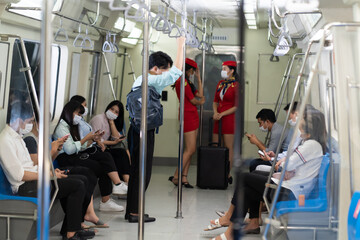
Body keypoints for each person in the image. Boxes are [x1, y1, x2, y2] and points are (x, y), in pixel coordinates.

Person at [209, 107, 327, 239]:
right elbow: (292, 163)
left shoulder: (311, 145)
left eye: (301, 119)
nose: (298, 122)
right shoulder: (310, 143)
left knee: (244, 178)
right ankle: (241, 227)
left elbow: (288, 164)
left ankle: (230, 221)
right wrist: (284, 162)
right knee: (247, 188)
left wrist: (282, 162)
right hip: (288, 186)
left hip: (290, 192)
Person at [0, 102, 95, 240]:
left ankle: (71, 229)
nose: (31, 124)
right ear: (19, 119)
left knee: (82, 179)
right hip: (25, 187)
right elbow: (19, 175)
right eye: (29, 121)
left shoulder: (17, 137)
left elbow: (30, 164)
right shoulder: (5, 141)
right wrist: (48, 175)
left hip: (35, 180)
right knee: (77, 184)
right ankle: (71, 233)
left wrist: (51, 170)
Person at [125, 36, 186, 223]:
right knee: (143, 171)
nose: (165, 73)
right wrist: (180, 44)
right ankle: (135, 212)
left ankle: (132, 210)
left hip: (136, 129)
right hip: (143, 131)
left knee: (137, 170)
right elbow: (176, 72)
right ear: (156, 68)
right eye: (164, 69)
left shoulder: (142, 79)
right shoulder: (152, 79)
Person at [53, 101, 125, 212]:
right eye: (78, 114)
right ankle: (113, 189)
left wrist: (92, 139)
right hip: (67, 158)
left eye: (81, 115)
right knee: (99, 166)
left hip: (76, 154)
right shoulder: (62, 128)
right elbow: (70, 149)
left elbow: (80, 146)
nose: (80, 117)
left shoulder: (73, 125)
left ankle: (115, 188)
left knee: (105, 160)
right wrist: (87, 139)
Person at [168, 58, 205, 188]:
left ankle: (184, 177)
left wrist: (199, 78)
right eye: (193, 71)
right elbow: (195, 100)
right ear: (189, 69)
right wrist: (201, 102)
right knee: (190, 149)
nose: (192, 73)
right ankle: (177, 176)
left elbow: (200, 94)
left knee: (190, 149)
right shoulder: (181, 82)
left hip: (192, 115)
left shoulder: (188, 82)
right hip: (187, 115)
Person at [89, 100, 131, 183]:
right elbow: (95, 139)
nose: (113, 112)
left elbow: (116, 137)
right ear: (108, 108)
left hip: (104, 147)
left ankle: (127, 181)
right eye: (112, 109)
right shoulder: (99, 119)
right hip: (94, 147)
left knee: (122, 152)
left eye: (116, 112)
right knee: (119, 154)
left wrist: (111, 123)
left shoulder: (110, 122)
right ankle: (125, 182)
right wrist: (113, 143)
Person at [256, 102, 302, 172]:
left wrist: (256, 142)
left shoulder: (277, 131)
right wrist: (274, 156)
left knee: (255, 165)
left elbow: (290, 155)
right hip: (282, 160)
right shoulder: (295, 131)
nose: (289, 119)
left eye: (260, 123)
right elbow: (288, 153)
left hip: (285, 165)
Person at [213, 60, 238, 183]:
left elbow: (236, 106)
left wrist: (222, 113)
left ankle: (227, 174)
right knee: (217, 145)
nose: (222, 71)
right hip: (218, 117)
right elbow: (215, 101)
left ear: (232, 70)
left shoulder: (236, 86)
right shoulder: (220, 84)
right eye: (222, 69)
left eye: (225, 69)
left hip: (228, 118)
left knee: (228, 147)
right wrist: (215, 112)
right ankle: (217, 171)